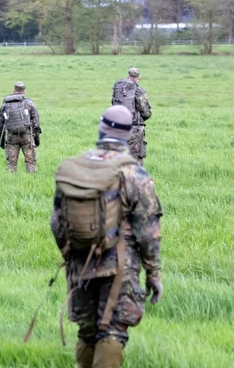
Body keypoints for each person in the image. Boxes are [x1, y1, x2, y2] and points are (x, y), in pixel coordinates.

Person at [50, 105, 163, 368]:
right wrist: (153, 273)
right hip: (120, 266)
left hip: (80, 261)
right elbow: (148, 233)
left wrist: (71, 253)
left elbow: (56, 221)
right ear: (127, 135)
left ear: (101, 129)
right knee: (111, 331)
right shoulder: (135, 174)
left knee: (87, 332)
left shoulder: (75, 167)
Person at [0, 81, 41, 173]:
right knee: (30, 162)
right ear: (24, 91)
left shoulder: (5, 105)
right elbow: (36, 122)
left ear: (14, 90)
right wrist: (36, 136)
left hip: (11, 136)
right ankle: (31, 182)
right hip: (27, 136)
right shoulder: (29, 103)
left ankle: (10, 182)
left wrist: (0, 135)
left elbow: (0, 123)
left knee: (11, 163)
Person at [111, 68, 152, 165]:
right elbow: (146, 113)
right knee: (135, 159)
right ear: (139, 77)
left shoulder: (118, 90)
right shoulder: (139, 91)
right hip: (134, 129)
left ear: (128, 76)